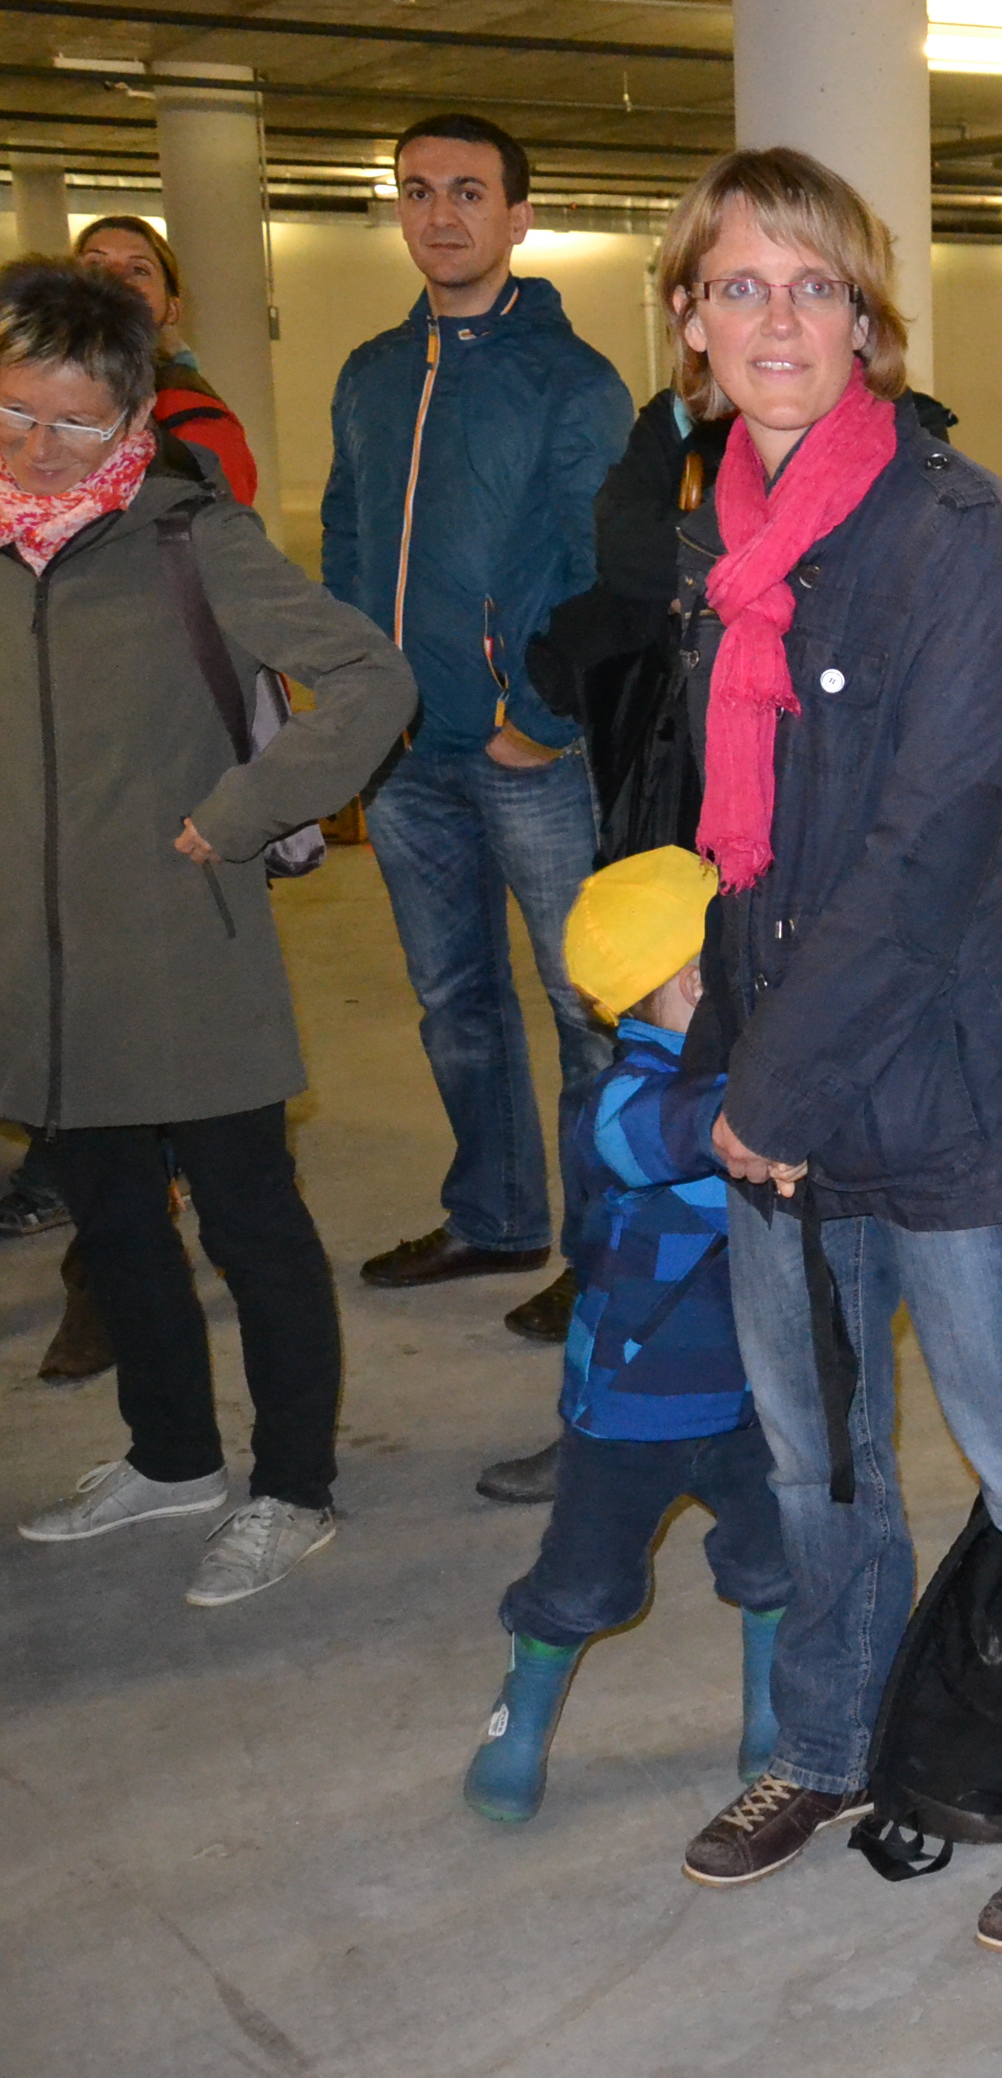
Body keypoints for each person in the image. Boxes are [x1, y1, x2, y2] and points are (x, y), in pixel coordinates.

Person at [651, 147, 1002, 1964]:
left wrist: (766, 1094)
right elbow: (748, 839)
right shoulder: (722, 534)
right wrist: (724, 1032)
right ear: (691, 323)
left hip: (950, 1081)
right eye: (740, 286)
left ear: (866, 321)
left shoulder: (953, 534)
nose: (779, 321)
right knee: (819, 1464)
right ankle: (822, 1747)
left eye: (815, 287)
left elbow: (932, 843)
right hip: (784, 1066)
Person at [1, 256, 415, 1604]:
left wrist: (242, 812)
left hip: (188, 945)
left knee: (253, 1228)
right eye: (13, 412)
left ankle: (293, 1486)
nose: (38, 449)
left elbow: (371, 678)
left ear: (134, 416)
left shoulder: (191, 537)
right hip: (41, 971)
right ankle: (170, 1456)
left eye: (74, 424)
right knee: (115, 1226)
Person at [318, 113, 633, 1337]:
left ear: (518, 217)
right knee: (454, 1001)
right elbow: (346, 533)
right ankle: (495, 1217)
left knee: (585, 1006)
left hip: (525, 754)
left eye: (466, 191)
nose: (439, 214)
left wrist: (541, 720)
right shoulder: (369, 374)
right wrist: (359, 694)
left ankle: (605, 1255)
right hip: (405, 753)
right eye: (416, 191)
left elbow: (605, 571)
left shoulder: (572, 382)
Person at [463, 845, 789, 1822]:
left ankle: (775, 1717)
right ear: (696, 978)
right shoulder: (614, 1104)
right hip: (631, 1410)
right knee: (585, 1587)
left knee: (779, 1565)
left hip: (757, 1399)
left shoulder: (743, 1070)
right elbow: (685, 1129)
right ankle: (520, 1713)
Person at [74, 214, 258, 503]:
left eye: (139, 270)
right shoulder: (21, 399)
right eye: (95, 264)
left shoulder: (197, 423)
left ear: (172, 309)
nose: (114, 276)